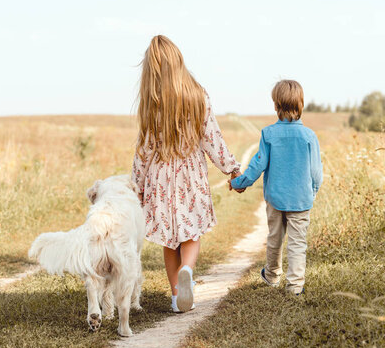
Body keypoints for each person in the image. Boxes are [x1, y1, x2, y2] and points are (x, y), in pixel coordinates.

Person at [132, 35, 241, 312]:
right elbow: (211, 138)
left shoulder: (152, 101)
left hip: (160, 176)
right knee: (190, 234)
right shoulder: (197, 95)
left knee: (170, 240)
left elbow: (144, 149)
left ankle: (175, 295)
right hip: (190, 175)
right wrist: (232, 169)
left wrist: (137, 185)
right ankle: (188, 271)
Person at [229, 80, 323, 295]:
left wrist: (238, 183)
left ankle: (272, 276)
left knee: (274, 238)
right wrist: (313, 191)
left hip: (275, 198)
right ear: (301, 104)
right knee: (298, 242)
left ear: (275, 105)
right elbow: (316, 171)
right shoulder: (309, 136)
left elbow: (257, 164)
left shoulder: (268, 134)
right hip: (301, 199)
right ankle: (295, 285)